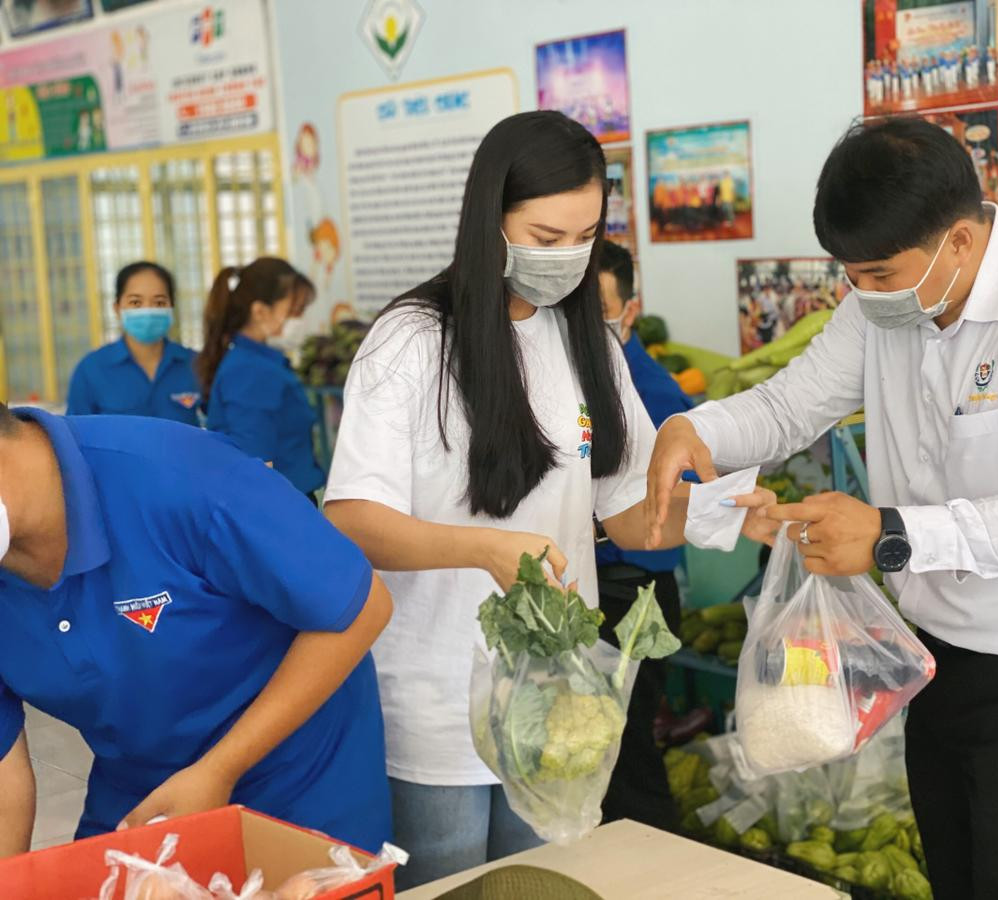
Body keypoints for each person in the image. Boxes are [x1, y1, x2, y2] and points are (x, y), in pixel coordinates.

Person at [645, 118, 998, 899]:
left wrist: (889, 534)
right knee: (955, 877)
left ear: (958, 240)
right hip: (947, 655)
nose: (862, 293)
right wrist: (696, 428)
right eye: (851, 275)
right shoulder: (883, 307)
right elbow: (792, 405)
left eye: (880, 273)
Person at [321, 111, 773, 889]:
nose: (567, 257)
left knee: (547, 886)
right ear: (488, 219)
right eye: (545, 234)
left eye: (585, 235)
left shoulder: (589, 341)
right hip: (439, 700)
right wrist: (486, 549)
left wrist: (731, 514)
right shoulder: (411, 342)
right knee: (453, 884)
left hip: (561, 701)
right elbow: (354, 521)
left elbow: (628, 509)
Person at [0, 404, 393, 856]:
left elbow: (361, 606)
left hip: (299, 785)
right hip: (142, 797)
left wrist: (220, 769)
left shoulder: (179, 477)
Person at [595, 240, 693, 830]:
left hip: (634, 598)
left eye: (599, 306)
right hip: (599, 590)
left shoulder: (650, 394)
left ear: (630, 311)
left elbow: (658, 513)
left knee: (627, 758)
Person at [198, 258, 325, 502]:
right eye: (294, 311)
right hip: (279, 504)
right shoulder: (251, 372)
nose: (300, 321)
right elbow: (255, 463)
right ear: (259, 312)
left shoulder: (260, 363)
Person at [67, 262, 201, 425]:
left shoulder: (196, 364)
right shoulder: (92, 369)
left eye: (159, 303)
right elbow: (73, 436)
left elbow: (221, 427)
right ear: (117, 308)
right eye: (136, 303)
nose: (148, 311)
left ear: (171, 307)